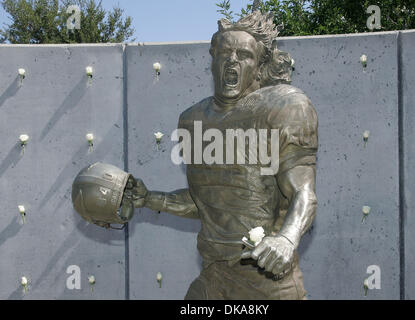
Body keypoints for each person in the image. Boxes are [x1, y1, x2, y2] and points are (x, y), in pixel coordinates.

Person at [123, 10, 318, 300]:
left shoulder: (286, 107)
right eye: (225, 52)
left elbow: (303, 192)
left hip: (267, 282)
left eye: (244, 54)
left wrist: (287, 239)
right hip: (214, 275)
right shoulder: (193, 119)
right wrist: (150, 198)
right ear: (212, 59)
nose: (232, 60)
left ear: (261, 65)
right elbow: (206, 201)